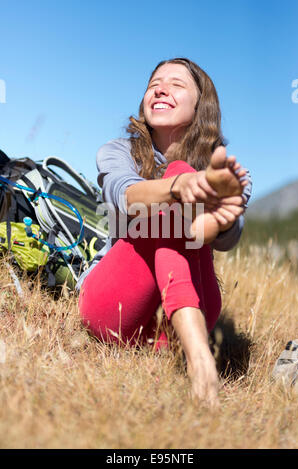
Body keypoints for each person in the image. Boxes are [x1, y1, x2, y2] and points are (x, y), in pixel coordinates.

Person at [77, 58, 252, 407]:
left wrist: (221, 214)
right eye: (155, 82)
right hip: (115, 308)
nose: (160, 88)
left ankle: (204, 223)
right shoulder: (117, 152)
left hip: (176, 316)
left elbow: (231, 241)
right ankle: (199, 356)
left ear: (200, 106)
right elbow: (123, 195)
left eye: (176, 84)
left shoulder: (219, 169)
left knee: (192, 191)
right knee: (174, 193)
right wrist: (179, 185)